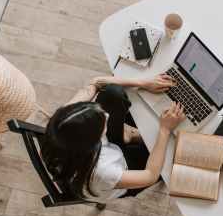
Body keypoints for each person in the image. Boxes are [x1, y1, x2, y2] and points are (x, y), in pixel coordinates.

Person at [41, 74, 185, 201]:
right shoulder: (103, 172)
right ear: (93, 141)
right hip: (122, 170)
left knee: (111, 92)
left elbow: (96, 82)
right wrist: (165, 130)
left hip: (101, 151)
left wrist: (144, 83)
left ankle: (128, 136)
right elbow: (150, 175)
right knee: (174, 154)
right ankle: (131, 137)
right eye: (102, 121)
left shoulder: (62, 121)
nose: (107, 115)